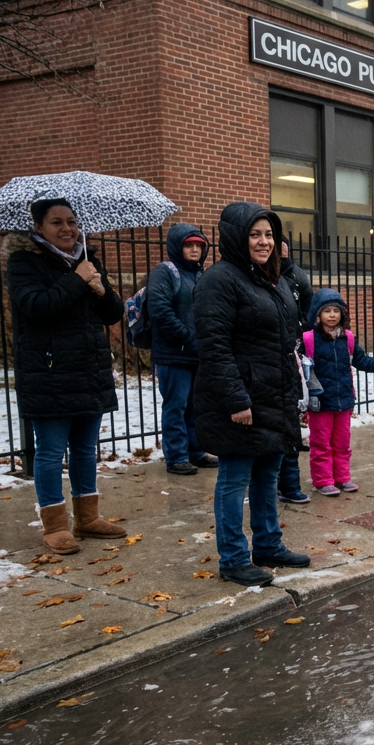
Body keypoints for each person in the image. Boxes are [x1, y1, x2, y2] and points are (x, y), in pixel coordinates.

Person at [192, 202, 311, 587]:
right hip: (242, 399)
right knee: (235, 479)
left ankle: (268, 545)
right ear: (236, 238)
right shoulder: (219, 280)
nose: (264, 242)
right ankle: (233, 558)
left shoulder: (267, 278)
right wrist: (236, 400)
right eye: (255, 234)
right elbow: (214, 346)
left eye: (269, 235)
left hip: (272, 395)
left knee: (267, 474)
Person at [7, 198, 128, 554]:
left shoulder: (87, 260)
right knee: (49, 452)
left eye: (71, 221)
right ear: (39, 228)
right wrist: (77, 280)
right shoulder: (24, 262)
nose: (67, 229)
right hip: (49, 372)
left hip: (88, 370)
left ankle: (87, 517)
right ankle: (56, 524)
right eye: (57, 223)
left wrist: (101, 288)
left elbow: (112, 314)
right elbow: (36, 307)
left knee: (85, 449)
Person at [303, 288, 374, 495]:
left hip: (344, 400)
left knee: (342, 443)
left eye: (336, 311)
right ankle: (323, 480)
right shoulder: (309, 339)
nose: (332, 315)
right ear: (318, 314)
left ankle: (342, 478)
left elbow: (362, 361)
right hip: (320, 402)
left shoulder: (348, 339)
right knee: (321, 443)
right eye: (327, 311)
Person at [149, 223, 219, 475]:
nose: (194, 250)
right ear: (178, 248)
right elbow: (159, 310)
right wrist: (188, 337)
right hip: (173, 354)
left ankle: (196, 451)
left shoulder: (200, 275)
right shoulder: (165, 272)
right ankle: (177, 456)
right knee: (175, 406)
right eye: (188, 245)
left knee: (194, 406)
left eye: (198, 246)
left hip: (196, 353)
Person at [276, 240, 314, 504]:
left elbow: (308, 311)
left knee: (290, 422)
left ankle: (289, 484)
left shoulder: (296, 277)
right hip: (259, 364)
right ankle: (270, 485)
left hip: (292, 356)